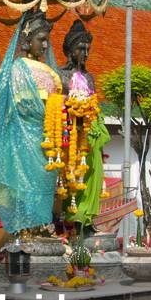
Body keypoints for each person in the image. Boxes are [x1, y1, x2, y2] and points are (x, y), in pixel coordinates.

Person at [0, 10, 61, 234]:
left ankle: (42, 227)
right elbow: (20, 107)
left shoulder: (50, 72)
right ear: (28, 39)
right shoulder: (17, 69)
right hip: (23, 137)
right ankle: (25, 229)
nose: (45, 46)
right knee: (24, 184)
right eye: (41, 40)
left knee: (44, 183)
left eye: (47, 41)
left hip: (47, 138)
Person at [58, 20, 109, 227]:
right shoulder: (61, 75)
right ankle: (70, 222)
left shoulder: (89, 78)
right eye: (81, 48)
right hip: (69, 136)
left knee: (91, 177)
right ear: (70, 50)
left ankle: (86, 223)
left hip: (90, 135)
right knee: (70, 180)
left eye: (88, 49)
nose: (85, 54)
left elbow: (95, 107)